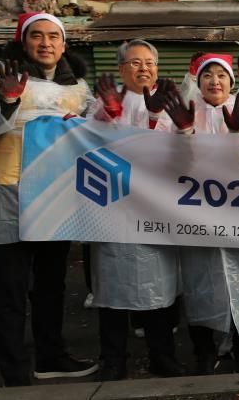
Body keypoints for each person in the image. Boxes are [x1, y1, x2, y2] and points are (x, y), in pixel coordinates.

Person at [0, 12, 97, 386]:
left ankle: (51, 356)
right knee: (10, 288)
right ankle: (14, 370)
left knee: (51, 284)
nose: (46, 43)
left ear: (64, 45)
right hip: (8, 191)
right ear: (23, 42)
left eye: (54, 36)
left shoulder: (79, 88)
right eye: (37, 35)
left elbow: (96, 134)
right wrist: (6, 99)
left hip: (55, 193)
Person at [155, 53, 239, 375]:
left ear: (231, 81)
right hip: (195, 218)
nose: (215, 81)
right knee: (199, 283)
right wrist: (184, 131)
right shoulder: (181, 112)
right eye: (207, 75)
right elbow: (162, 160)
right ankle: (203, 351)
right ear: (198, 81)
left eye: (221, 75)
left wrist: (237, 134)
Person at [88, 39, 184, 380]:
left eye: (149, 62)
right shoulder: (103, 101)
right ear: (120, 68)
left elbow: (180, 151)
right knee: (112, 288)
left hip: (156, 209)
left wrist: (155, 117)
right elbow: (89, 146)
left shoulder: (171, 103)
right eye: (135, 62)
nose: (144, 68)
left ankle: (162, 357)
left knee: (159, 287)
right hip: (113, 209)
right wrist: (110, 114)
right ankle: (113, 360)